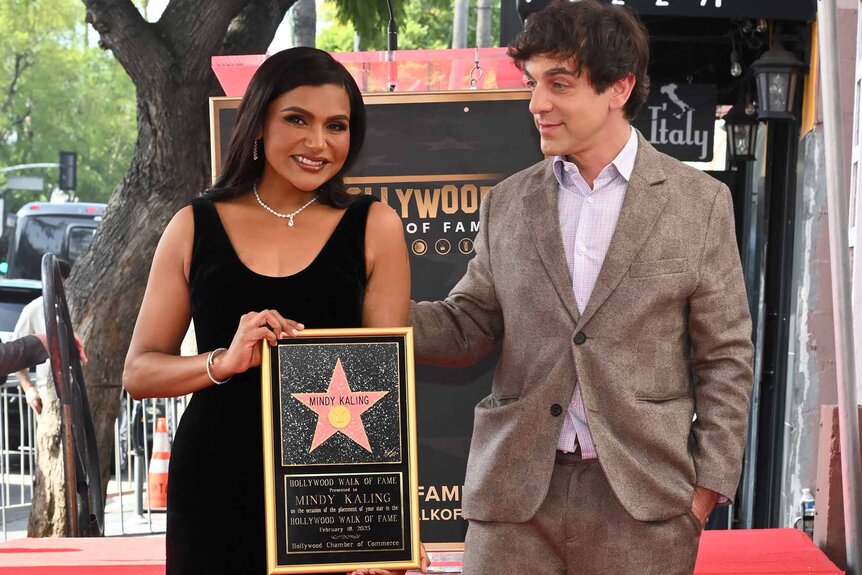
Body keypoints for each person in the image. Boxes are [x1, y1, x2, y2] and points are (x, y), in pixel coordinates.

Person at [410, 2, 754, 574]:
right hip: (514, 503)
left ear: (619, 87)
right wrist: (364, 307)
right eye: (533, 83)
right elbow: (469, 324)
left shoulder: (699, 203)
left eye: (559, 84)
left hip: (643, 504)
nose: (537, 104)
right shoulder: (508, 203)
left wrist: (704, 494)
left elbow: (725, 356)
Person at [123, 47, 424, 575]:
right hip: (213, 487)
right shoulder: (193, 225)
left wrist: (390, 529)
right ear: (258, 122)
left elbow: (386, 396)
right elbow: (139, 372)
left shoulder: (375, 226)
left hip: (327, 503)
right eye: (296, 119)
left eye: (337, 125)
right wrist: (224, 359)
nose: (318, 142)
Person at [13, 258, 73, 536]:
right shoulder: (34, 310)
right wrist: (28, 388)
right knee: (51, 462)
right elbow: (15, 355)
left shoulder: (76, 304)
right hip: (49, 396)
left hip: (76, 392)